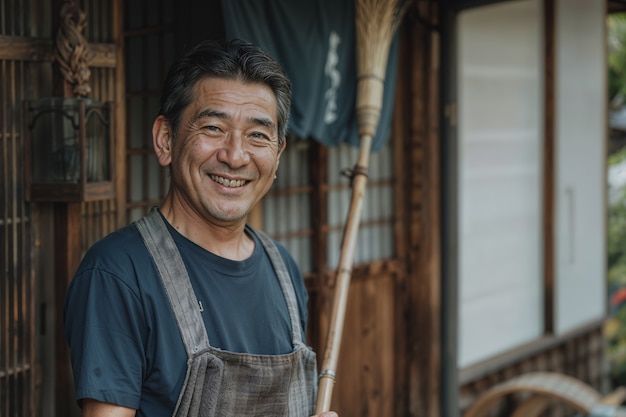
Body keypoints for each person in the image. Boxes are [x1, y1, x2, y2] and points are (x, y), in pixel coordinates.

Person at [63, 38, 338, 417]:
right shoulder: (118, 273)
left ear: (277, 157)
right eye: (213, 127)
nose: (235, 155)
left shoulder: (284, 270)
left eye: (258, 134)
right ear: (165, 140)